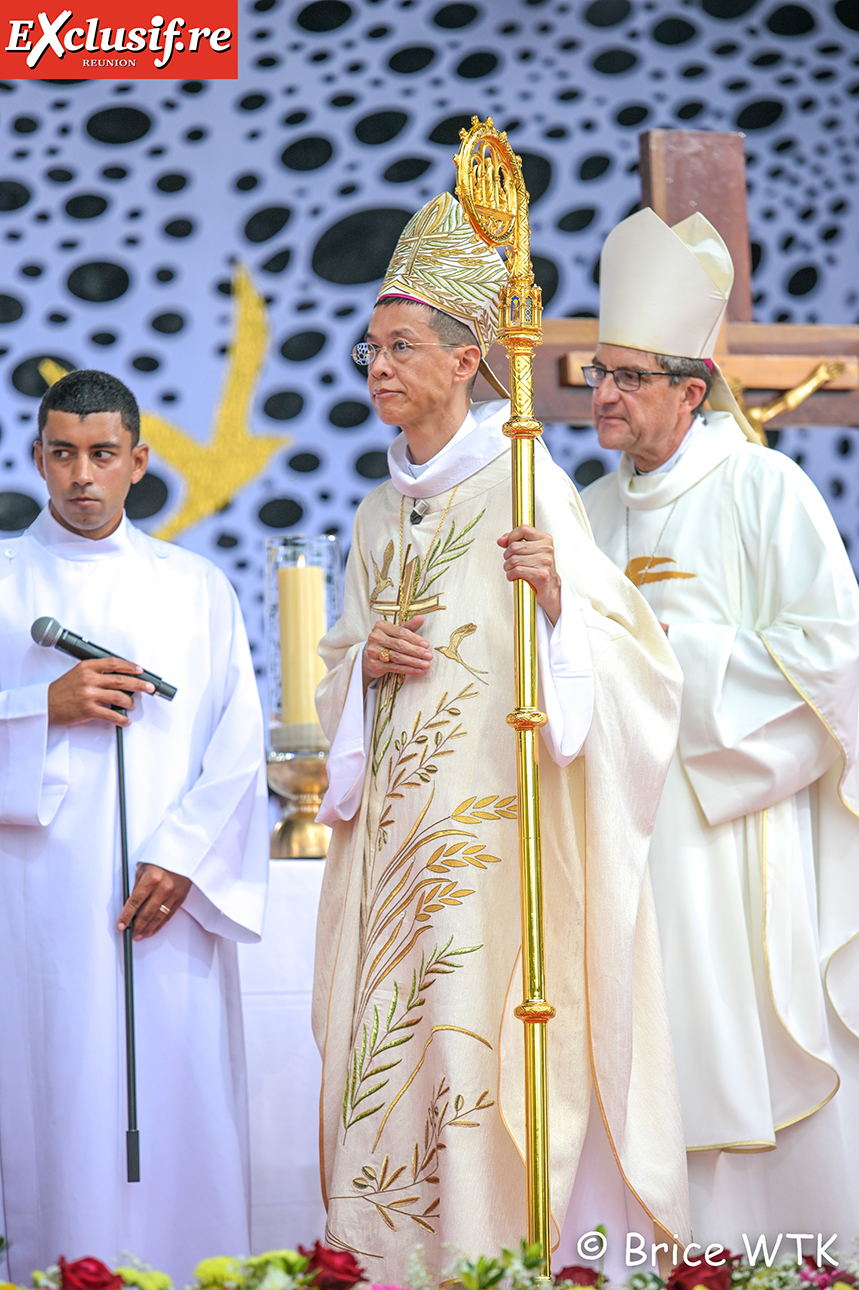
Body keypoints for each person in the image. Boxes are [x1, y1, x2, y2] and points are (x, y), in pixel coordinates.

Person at [310, 191, 689, 1281]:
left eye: (399, 346)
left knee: (480, 1053)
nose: (375, 366)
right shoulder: (380, 514)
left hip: (494, 854)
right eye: (367, 347)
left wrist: (564, 597)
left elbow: (633, 664)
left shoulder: (528, 481)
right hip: (393, 857)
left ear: (469, 358)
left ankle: (495, 1256)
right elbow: (337, 666)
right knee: (390, 1059)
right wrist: (364, 666)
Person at [581, 207, 859, 1246]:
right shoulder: (587, 514)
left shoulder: (762, 488)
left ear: (687, 391)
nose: (600, 396)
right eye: (596, 376)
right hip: (619, 837)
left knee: (733, 1044)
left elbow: (831, 654)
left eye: (625, 377)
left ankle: (779, 1260)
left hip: (729, 832)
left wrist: (658, 653)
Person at [0, 370, 269, 1284]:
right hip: (32, 911)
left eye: (102, 454)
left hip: (166, 911)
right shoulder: (1, 581)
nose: (82, 475)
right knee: (52, 1104)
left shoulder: (194, 588)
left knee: (177, 1102)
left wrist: (183, 858)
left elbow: (239, 743)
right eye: (63, 453)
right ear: (38, 459)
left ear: (139, 462)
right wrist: (44, 704)